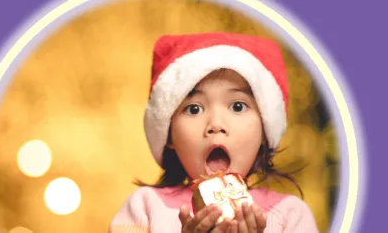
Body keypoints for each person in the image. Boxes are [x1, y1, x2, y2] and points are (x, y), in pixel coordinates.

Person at [109, 32, 319, 233]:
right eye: (194, 109)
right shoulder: (144, 207)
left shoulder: (291, 215)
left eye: (237, 106)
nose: (216, 124)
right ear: (169, 134)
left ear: (264, 132)